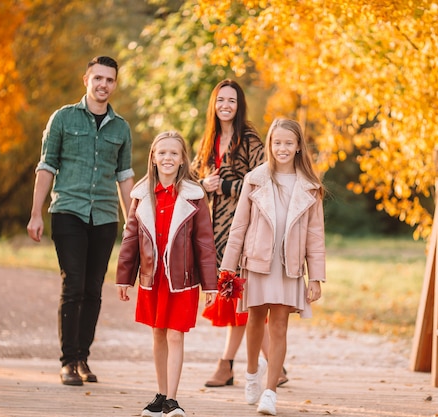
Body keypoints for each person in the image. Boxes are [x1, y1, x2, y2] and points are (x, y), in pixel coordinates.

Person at [26, 56, 134, 386]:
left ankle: (83, 358)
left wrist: (132, 223)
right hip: (68, 211)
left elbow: (125, 176)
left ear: (115, 84)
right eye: (98, 78)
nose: (103, 84)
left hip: (104, 217)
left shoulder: (121, 128)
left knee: (93, 289)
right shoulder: (62, 118)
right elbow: (47, 166)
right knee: (72, 285)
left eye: (110, 80)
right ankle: (67, 361)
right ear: (85, 79)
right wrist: (35, 213)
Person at [220, 118, 326, 416]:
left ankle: (270, 392)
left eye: (288, 143)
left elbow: (316, 236)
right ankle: (252, 373)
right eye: (277, 142)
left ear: (298, 147)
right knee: (255, 321)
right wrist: (227, 268)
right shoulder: (255, 179)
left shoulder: (310, 187)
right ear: (270, 145)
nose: (282, 148)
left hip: (289, 266)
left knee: (280, 325)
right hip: (257, 263)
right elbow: (239, 226)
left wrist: (315, 277)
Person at [192, 79, 287, 388]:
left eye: (231, 100)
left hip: (245, 229)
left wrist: (228, 186)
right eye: (220, 100)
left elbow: (266, 179)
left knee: (239, 296)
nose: (225, 105)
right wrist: (203, 185)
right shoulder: (209, 140)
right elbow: (192, 176)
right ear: (214, 104)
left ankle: (227, 364)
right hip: (215, 233)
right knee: (238, 297)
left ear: (239, 104)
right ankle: (276, 365)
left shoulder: (249, 140)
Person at [115, 131, 218, 417]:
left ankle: (173, 400)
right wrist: (124, 277)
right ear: (153, 157)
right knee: (158, 334)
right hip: (153, 277)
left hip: (182, 281)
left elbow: (204, 242)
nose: (168, 158)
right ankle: (160, 396)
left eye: (174, 153)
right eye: (162, 153)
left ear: (183, 158)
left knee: (175, 336)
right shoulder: (141, 194)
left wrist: (210, 284)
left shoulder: (194, 196)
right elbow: (130, 238)